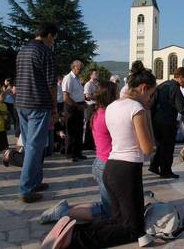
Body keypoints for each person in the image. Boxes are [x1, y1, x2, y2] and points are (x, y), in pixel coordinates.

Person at [43, 63, 156, 249]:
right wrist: (148, 115)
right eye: (150, 94)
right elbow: (147, 148)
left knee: (117, 219)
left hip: (111, 167)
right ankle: (74, 241)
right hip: (127, 170)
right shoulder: (137, 109)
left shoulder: (112, 107)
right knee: (133, 229)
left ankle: (74, 231)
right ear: (144, 88)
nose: (150, 99)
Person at [39, 81, 118, 224]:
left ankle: (66, 208)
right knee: (109, 213)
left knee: (110, 206)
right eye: (116, 94)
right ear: (110, 96)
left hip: (101, 162)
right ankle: (64, 212)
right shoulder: (107, 115)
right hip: (106, 165)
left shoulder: (98, 112)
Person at [15, 22, 58, 203]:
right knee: (34, 146)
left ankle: (35, 181)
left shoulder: (22, 51)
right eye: (54, 38)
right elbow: (51, 84)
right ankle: (26, 189)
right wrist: (54, 107)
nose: (53, 41)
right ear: (49, 35)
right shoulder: (46, 52)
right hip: (38, 104)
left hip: (22, 104)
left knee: (32, 145)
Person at [150, 67, 184, 179]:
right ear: (181, 77)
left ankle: (154, 165)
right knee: (167, 147)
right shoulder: (175, 88)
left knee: (161, 146)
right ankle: (166, 171)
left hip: (157, 121)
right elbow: (182, 108)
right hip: (167, 122)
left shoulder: (163, 85)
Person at [62, 60, 86, 162]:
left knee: (79, 131)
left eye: (81, 67)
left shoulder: (77, 79)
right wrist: (77, 106)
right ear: (73, 67)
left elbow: (77, 94)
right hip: (71, 107)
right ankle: (70, 154)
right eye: (79, 67)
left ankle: (78, 152)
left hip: (79, 106)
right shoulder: (68, 78)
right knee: (71, 131)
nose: (80, 69)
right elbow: (66, 97)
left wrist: (83, 102)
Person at [83, 69, 99, 150]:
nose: (97, 74)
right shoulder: (88, 84)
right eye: (95, 73)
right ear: (91, 75)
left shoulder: (97, 84)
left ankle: (93, 143)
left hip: (96, 106)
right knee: (89, 125)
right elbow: (87, 96)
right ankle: (87, 144)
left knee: (95, 126)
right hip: (90, 107)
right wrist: (96, 96)